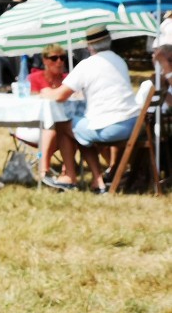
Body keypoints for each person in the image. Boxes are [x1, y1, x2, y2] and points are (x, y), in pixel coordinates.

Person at [39, 25, 140, 193]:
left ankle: (70, 176)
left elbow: (60, 96)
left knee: (64, 125)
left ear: (89, 46)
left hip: (111, 127)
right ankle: (98, 181)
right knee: (80, 129)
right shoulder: (119, 60)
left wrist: (46, 91)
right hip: (132, 124)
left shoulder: (88, 65)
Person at [15, 44, 70, 177]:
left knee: (68, 128)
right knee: (56, 129)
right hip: (33, 125)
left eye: (62, 58)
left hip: (62, 125)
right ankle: (44, 168)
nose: (59, 61)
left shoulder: (68, 79)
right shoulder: (33, 78)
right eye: (54, 58)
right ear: (45, 60)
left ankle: (67, 170)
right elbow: (28, 105)